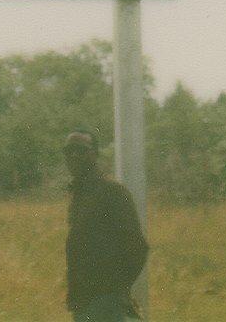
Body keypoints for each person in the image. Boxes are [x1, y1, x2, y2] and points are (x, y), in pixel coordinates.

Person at [64, 131, 148, 322]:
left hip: (106, 303)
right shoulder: (79, 194)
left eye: (80, 150)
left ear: (94, 154)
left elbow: (137, 247)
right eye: (69, 151)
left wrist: (115, 291)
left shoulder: (111, 192)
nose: (73, 156)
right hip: (83, 301)